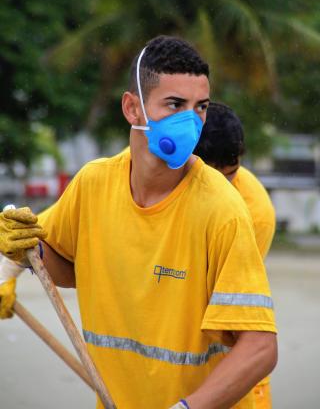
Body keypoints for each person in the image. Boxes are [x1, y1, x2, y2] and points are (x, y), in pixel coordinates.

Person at [0, 36, 277, 409]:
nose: (191, 121)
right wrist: (28, 252)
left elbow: (260, 348)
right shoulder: (94, 183)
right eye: (176, 105)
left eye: (200, 107)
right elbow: (69, 268)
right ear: (133, 108)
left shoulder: (223, 209)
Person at [194, 102, 276, 408]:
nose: (223, 190)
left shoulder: (255, 213)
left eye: (230, 176)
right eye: (214, 178)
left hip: (233, 370)